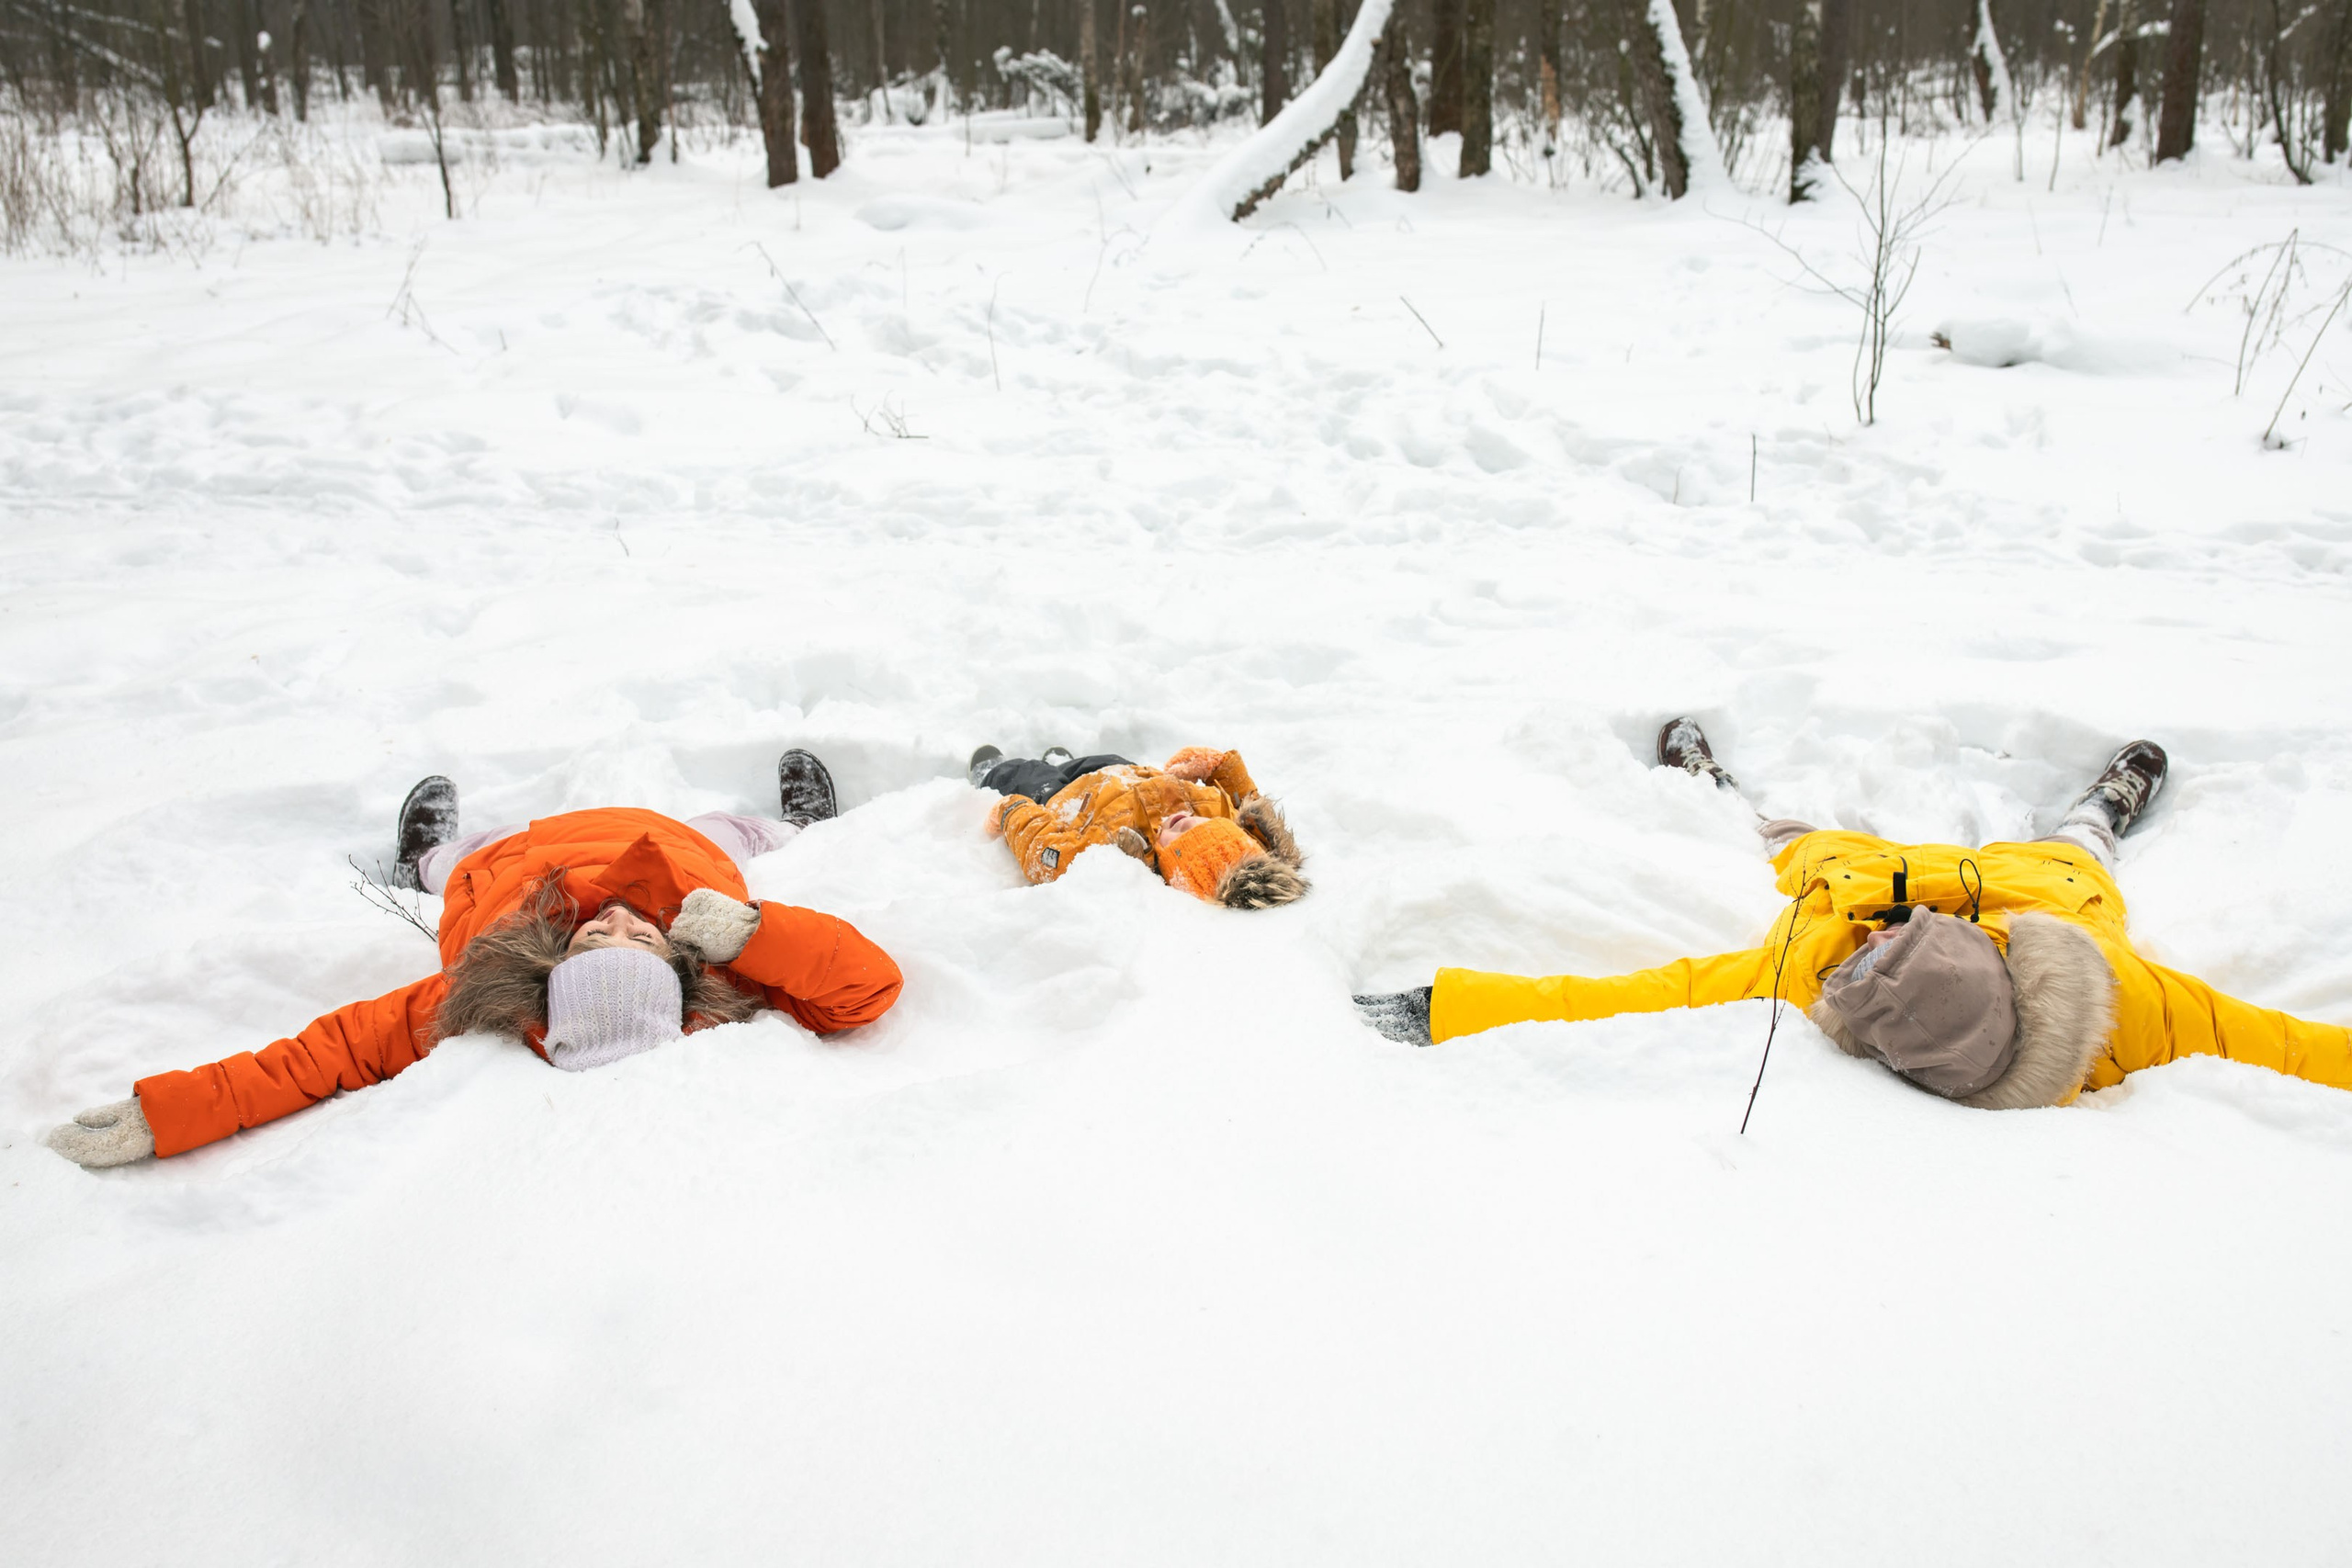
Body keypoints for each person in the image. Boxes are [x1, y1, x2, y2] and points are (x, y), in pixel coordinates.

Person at [1352, 721, 2352, 1108]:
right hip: (2045, 890)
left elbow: (1604, 1003)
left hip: (1867, 872)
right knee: (2077, 848)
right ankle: (2104, 806)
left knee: (1792, 845)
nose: (1873, 944)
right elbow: (2292, 1047)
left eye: (1881, 951)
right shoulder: (2127, 1005)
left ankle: (1720, 785)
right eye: (1884, 944)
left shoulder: (1812, 968)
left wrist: (1445, 1007)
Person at [47, 750, 902, 1168]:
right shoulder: (710, 946)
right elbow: (866, 988)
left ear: (552, 971)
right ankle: (799, 826)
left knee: (452, 860)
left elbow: (325, 1056)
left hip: (513, 860)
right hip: (676, 843)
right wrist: (754, 932)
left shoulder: (487, 987)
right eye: (634, 939)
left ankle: (419, 854)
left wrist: (168, 1114)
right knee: (742, 833)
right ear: (679, 967)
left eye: (596, 940)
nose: (613, 922)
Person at [967, 743, 1307, 908]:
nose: (1182, 820)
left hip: (1065, 800)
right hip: (1126, 773)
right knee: (1102, 758)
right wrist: (1219, 765)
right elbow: (1244, 794)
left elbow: (1044, 854)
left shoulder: (1114, 857)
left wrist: (1013, 812)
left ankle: (994, 772)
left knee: (1030, 777)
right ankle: (1061, 762)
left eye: (1179, 837)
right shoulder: (1231, 823)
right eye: (1199, 823)